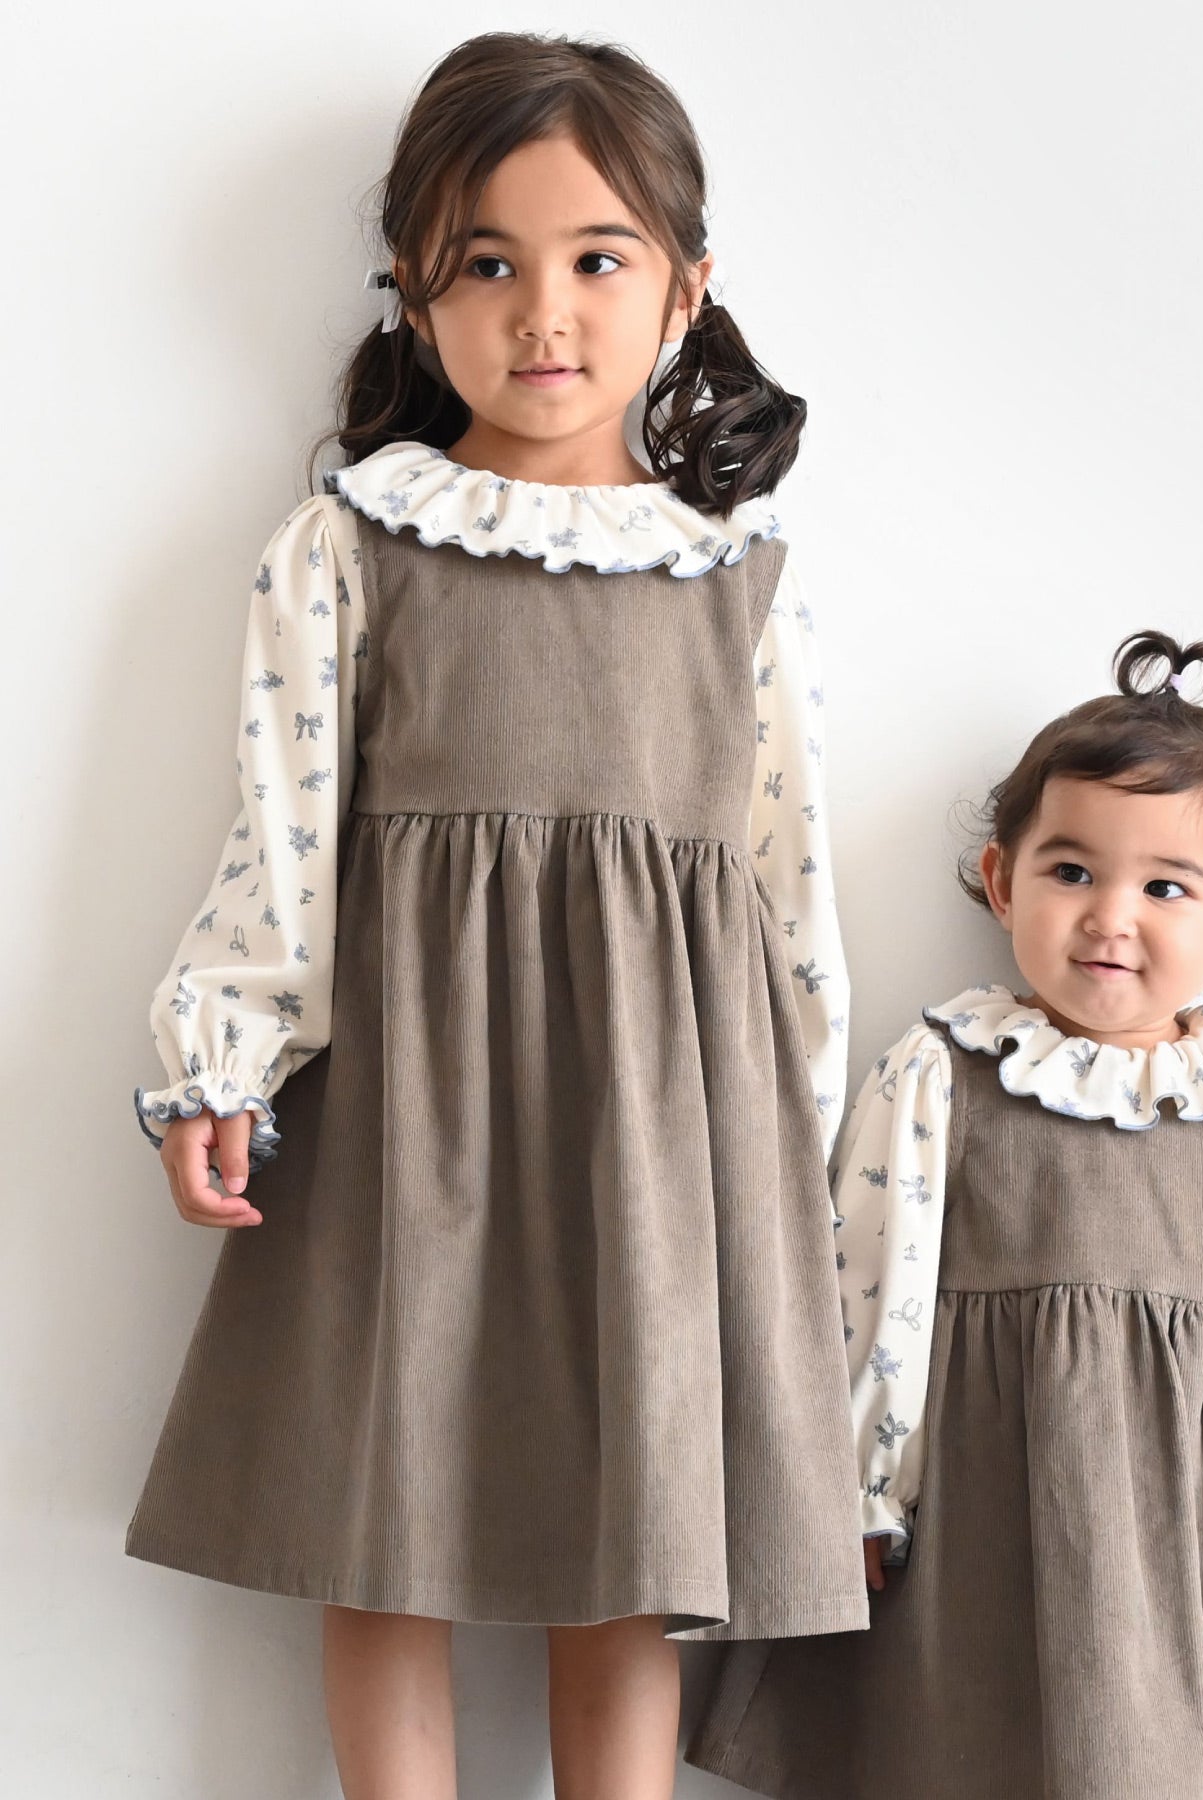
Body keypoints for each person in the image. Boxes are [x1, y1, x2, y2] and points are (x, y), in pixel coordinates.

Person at [128, 32, 866, 1800]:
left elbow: (790, 882)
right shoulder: (351, 546)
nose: (544, 312)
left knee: (634, 1536)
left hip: (660, 1136)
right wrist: (216, 1057)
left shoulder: (738, 580)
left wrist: (796, 1151)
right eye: (486, 263)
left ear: (687, 286)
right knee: (383, 1517)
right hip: (411, 1111)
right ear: (414, 289)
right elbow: (284, 830)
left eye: (598, 258)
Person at [689, 631, 1203, 1799]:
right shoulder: (944, 1071)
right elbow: (865, 1288)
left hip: (1178, 1525)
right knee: (960, 1739)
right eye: (1072, 872)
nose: (1111, 916)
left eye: (1165, 887)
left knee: (1148, 1744)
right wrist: (860, 1489)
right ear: (1004, 883)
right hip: (979, 1507)